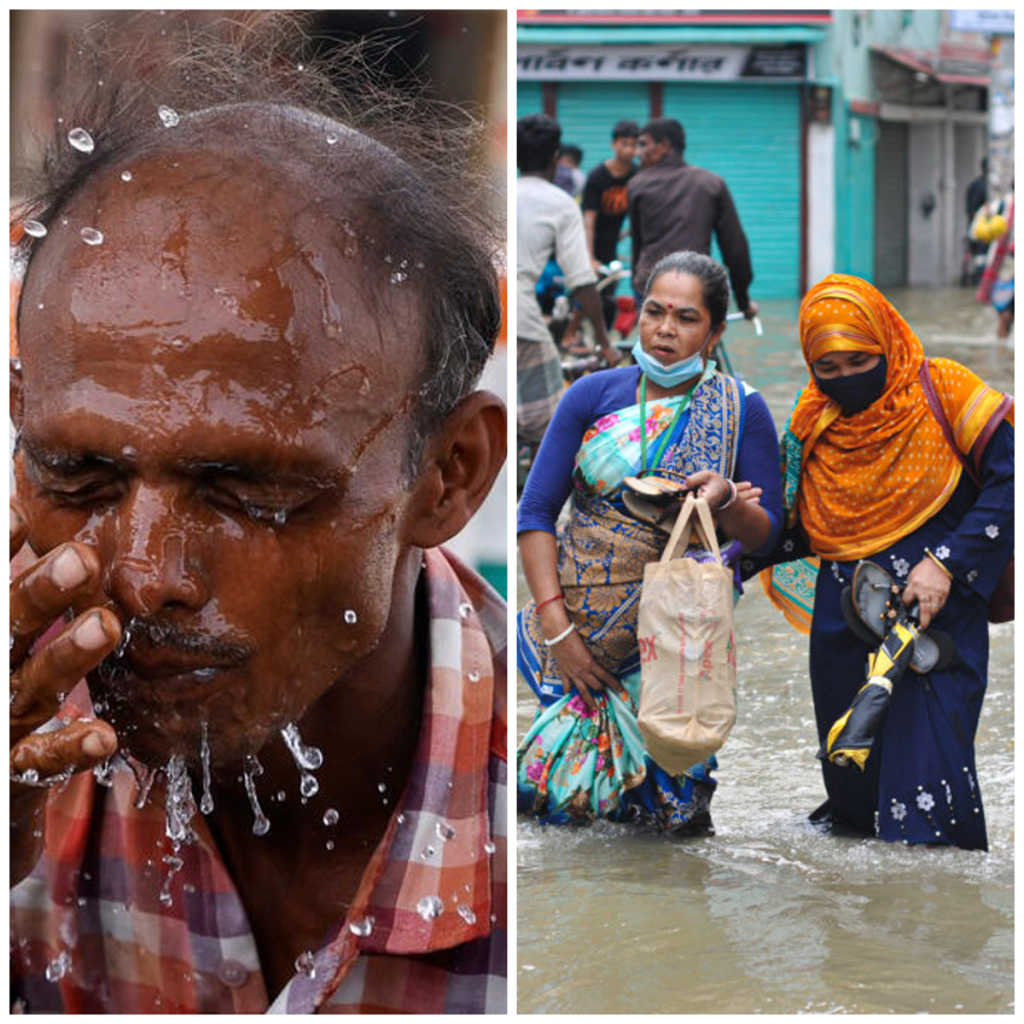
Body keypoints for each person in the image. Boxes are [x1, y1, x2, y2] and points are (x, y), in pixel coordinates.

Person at [9, 19, 508, 1013]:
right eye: (78, 472)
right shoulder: (26, 738)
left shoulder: (528, 803)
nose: (145, 573)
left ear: (448, 477)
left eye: (253, 492)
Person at [516, 251, 783, 833]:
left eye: (686, 318)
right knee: (567, 823)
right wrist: (560, 634)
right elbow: (535, 514)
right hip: (575, 642)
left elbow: (768, 537)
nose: (665, 329)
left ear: (714, 333)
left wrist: (726, 502)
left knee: (675, 832)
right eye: (654, 312)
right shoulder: (592, 395)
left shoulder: (743, 410)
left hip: (681, 653)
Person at [759, 274, 1013, 851]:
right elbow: (789, 525)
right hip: (844, 624)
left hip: (935, 623)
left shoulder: (944, 389)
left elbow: (1010, 480)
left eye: (860, 359)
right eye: (830, 367)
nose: (847, 377)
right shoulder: (811, 419)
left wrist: (945, 564)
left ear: (887, 342)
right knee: (856, 807)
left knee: (931, 815)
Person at [517, 114, 619, 445]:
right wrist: (604, 341)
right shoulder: (560, 204)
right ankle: (535, 495)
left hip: (479, 314)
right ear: (554, 157)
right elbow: (582, 281)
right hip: (522, 322)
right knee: (547, 430)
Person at [628, 117, 758, 321]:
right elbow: (735, 249)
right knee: (701, 347)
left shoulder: (637, 185)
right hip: (695, 288)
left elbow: (637, 246)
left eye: (643, 144)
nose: (638, 153)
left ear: (664, 146)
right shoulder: (711, 183)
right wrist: (743, 301)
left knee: (654, 346)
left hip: (650, 287)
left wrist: (638, 287)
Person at [972, 187, 1015, 338]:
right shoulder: (1002, 205)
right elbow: (978, 229)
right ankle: (1002, 349)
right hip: (1005, 269)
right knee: (1005, 316)